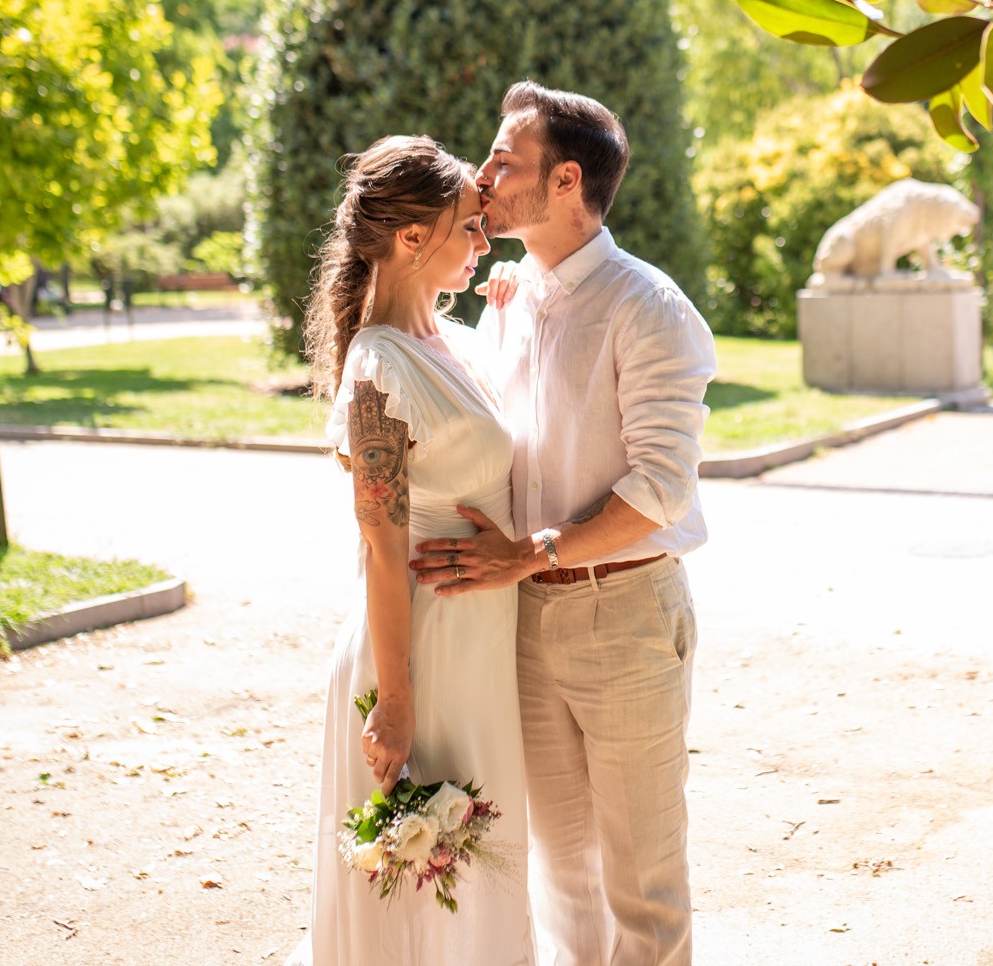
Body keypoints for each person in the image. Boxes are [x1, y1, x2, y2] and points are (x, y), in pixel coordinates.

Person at [409, 83, 717, 966]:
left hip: (624, 611)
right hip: (524, 616)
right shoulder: (508, 297)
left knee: (642, 878)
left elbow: (661, 484)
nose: (484, 172)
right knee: (559, 868)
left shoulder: (647, 307)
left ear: (566, 179)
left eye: (505, 159)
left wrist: (530, 551)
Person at [291, 135, 535, 966]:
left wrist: (506, 304)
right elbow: (381, 545)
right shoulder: (374, 371)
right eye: (469, 227)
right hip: (419, 652)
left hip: (479, 648)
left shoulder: (454, 338)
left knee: (479, 877)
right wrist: (396, 700)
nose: (483, 242)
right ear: (410, 240)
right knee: (421, 890)